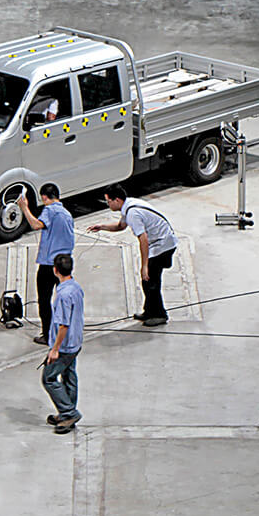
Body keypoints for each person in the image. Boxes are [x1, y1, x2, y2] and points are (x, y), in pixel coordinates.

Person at [88, 184, 176, 326]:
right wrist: (102, 227)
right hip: (161, 242)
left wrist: (145, 265)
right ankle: (149, 311)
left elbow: (143, 239)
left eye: (108, 201)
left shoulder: (133, 213)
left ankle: (159, 315)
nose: (108, 204)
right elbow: (120, 226)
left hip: (162, 245)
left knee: (150, 282)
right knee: (147, 282)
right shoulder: (128, 205)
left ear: (116, 200)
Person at [19, 185, 75, 346]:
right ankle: (67, 331)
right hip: (65, 262)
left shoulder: (50, 210)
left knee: (44, 300)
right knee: (65, 298)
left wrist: (25, 208)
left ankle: (48, 334)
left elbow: (36, 225)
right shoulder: (67, 213)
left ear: (44, 197)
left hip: (49, 264)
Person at [41, 253, 84, 434]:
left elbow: (63, 325)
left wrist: (55, 349)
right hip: (75, 341)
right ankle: (67, 414)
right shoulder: (75, 287)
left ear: (55, 270)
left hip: (65, 346)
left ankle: (69, 412)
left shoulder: (63, 295)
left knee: (49, 378)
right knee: (69, 375)